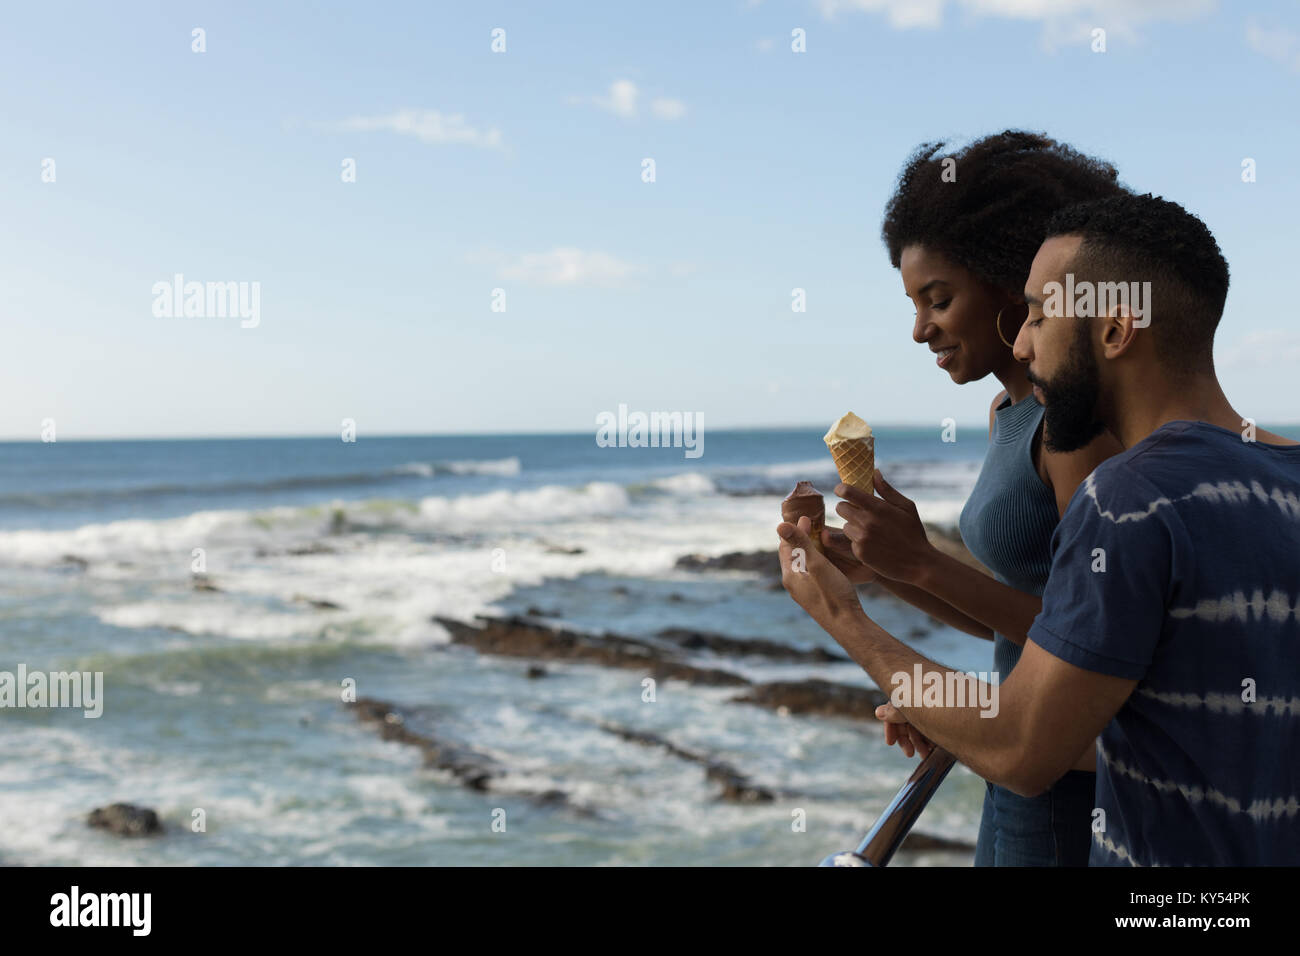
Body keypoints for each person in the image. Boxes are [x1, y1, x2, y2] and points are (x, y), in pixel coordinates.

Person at [781, 192, 1300, 865]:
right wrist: (949, 701)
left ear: (1115, 331)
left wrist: (838, 613)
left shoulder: (1128, 499)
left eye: (1039, 314)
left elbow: (1023, 750)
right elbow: (1169, 706)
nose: (1022, 343)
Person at [827, 131, 1124, 865]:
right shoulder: (1006, 415)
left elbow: (1090, 641)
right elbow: (1013, 623)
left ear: (1007, 282)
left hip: (1064, 777)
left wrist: (918, 569)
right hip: (1011, 758)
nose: (921, 330)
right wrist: (887, 567)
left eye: (938, 299)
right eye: (915, 304)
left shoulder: (1072, 427)